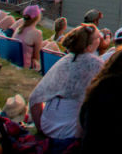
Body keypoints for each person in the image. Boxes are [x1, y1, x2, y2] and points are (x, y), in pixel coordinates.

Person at [28, 24, 104, 152]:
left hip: (47, 124)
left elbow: (34, 98)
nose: (101, 39)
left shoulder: (65, 61)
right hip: (70, 131)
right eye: (98, 37)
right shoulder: (96, 64)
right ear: (89, 46)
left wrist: (40, 127)